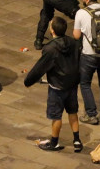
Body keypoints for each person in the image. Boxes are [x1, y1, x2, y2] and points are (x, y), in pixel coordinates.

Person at [25, 17, 83, 153]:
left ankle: (54, 142)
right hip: (72, 84)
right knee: (72, 112)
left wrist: (28, 81)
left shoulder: (50, 48)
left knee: (56, 116)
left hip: (57, 87)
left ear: (52, 30)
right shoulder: (73, 43)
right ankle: (77, 141)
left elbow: (40, 67)